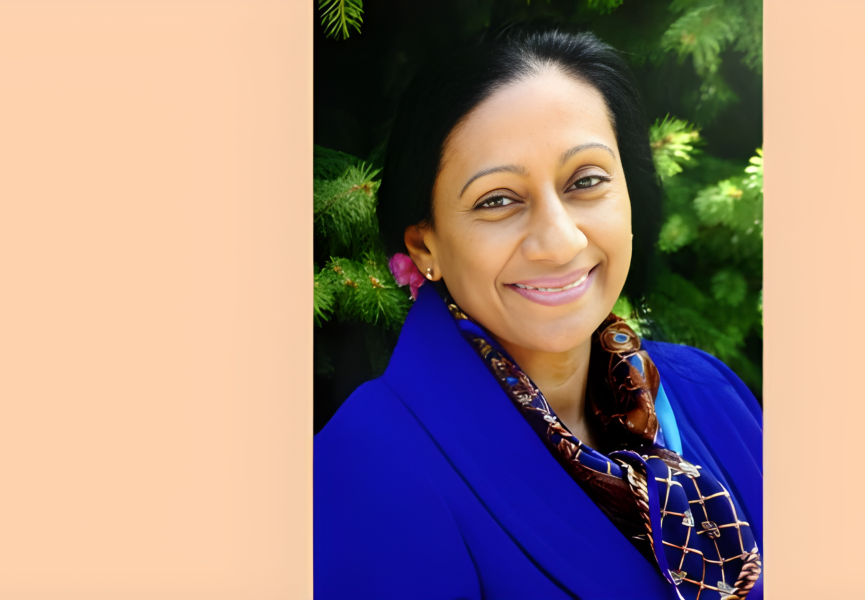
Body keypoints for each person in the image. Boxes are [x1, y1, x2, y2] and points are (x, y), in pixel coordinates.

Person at [314, 27, 763, 600]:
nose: (559, 241)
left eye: (586, 181)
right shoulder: (366, 470)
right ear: (425, 245)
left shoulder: (710, 391)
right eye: (497, 200)